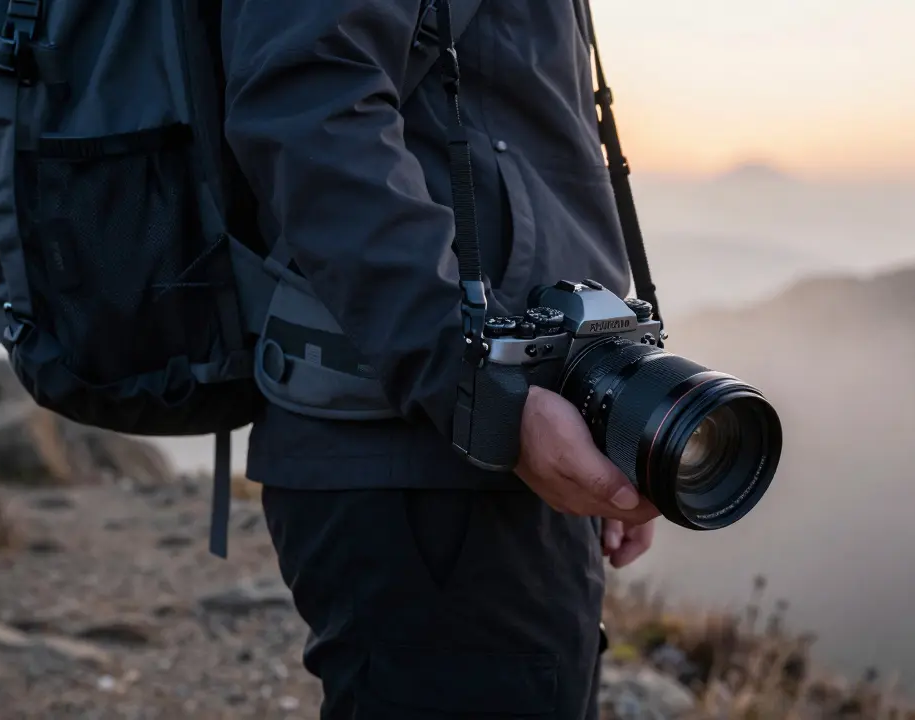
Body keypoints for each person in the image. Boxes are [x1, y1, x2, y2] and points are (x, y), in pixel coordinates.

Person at [219, 1, 661, 717]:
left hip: (499, 429)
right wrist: (485, 393)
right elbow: (308, 104)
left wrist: (610, 407)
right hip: (421, 450)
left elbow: (521, 145)